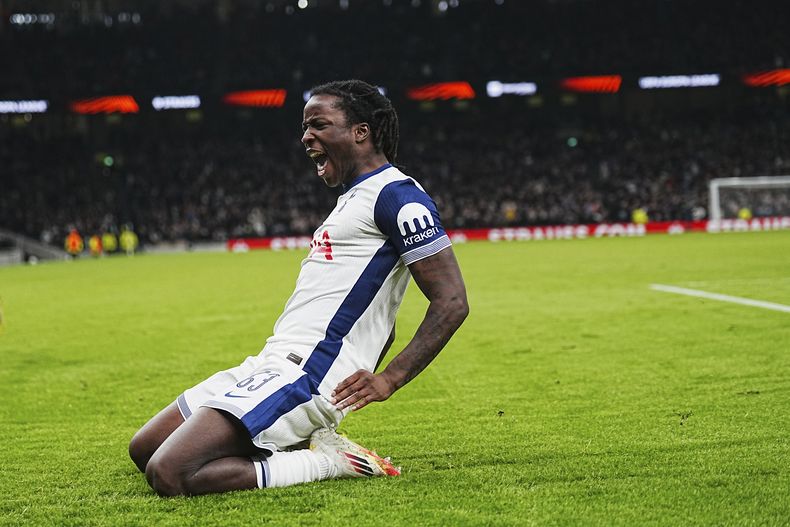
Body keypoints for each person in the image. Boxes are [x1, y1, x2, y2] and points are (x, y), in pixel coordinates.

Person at [129, 80, 469, 496]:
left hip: (307, 373)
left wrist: (390, 378)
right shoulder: (353, 198)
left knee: (170, 472)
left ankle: (327, 462)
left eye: (319, 125)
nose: (306, 136)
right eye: (305, 127)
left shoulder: (398, 197)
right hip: (272, 361)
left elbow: (451, 300)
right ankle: (284, 446)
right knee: (144, 449)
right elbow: (381, 318)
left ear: (361, 131)